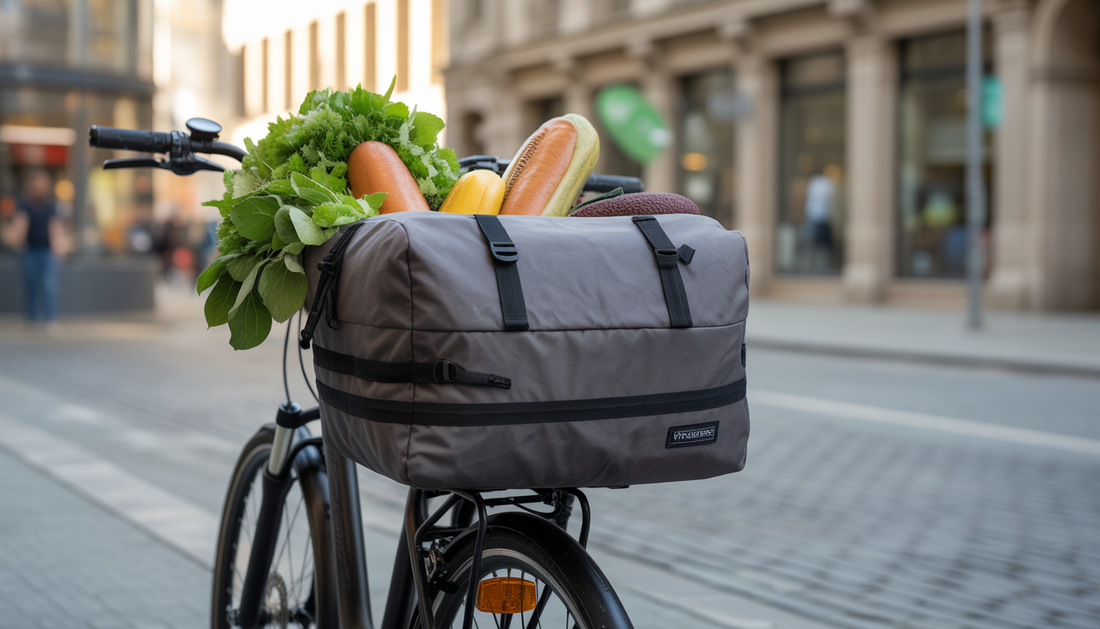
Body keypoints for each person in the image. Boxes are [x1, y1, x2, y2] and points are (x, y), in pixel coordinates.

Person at [3, 170, 66, 328]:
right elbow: (20, 229)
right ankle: (31, 319)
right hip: (29, 252)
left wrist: (58, 247)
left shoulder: (51, 206)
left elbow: (56, 229)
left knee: (48, 284)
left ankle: (50, 319)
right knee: (31, 286)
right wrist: (10, 234)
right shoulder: (24, 206)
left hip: (46, 252)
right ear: (30, 187)